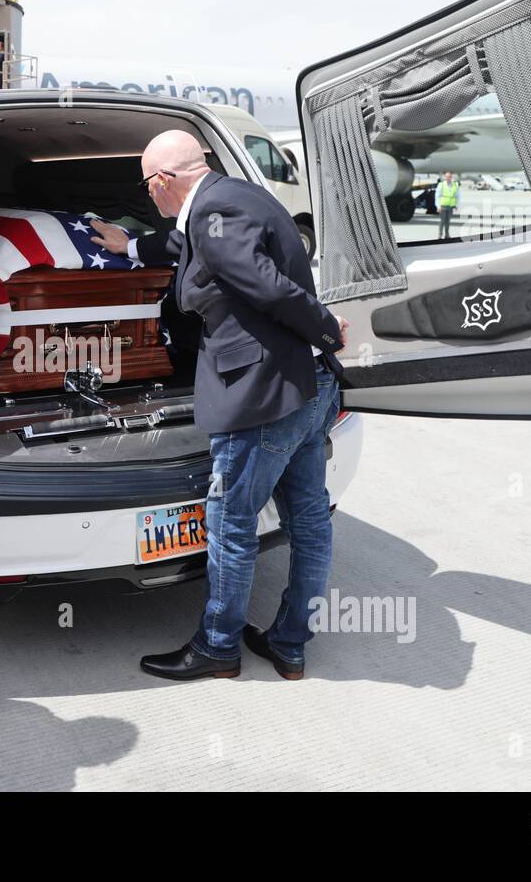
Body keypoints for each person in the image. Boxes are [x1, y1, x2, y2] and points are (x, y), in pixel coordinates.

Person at [89, 130, 349, 682]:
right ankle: (290, 644)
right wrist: (128, 247)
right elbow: (189, 247)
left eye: (147, 186)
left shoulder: (215, 212)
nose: (150, 198)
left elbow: (265, 285)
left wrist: (327, 325)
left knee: (230, 521)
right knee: (308, 521)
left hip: (262, 396)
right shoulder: (230, 199)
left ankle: (217, 646)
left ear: (161, 183)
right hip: (306, 388)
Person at [435, 170, 460, 239]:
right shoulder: (441, 184)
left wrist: (457, 205)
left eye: (449, 176)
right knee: (442, 221)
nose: (448, 178)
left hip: (450, 206)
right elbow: (437, 196)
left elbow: (458, 196)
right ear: (445, 177)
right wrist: (438, 206)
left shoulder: (455, 185)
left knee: (448, 221)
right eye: (446, 176)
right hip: (443, 206)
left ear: (451, 177)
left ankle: (447, 234)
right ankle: (440, 235)